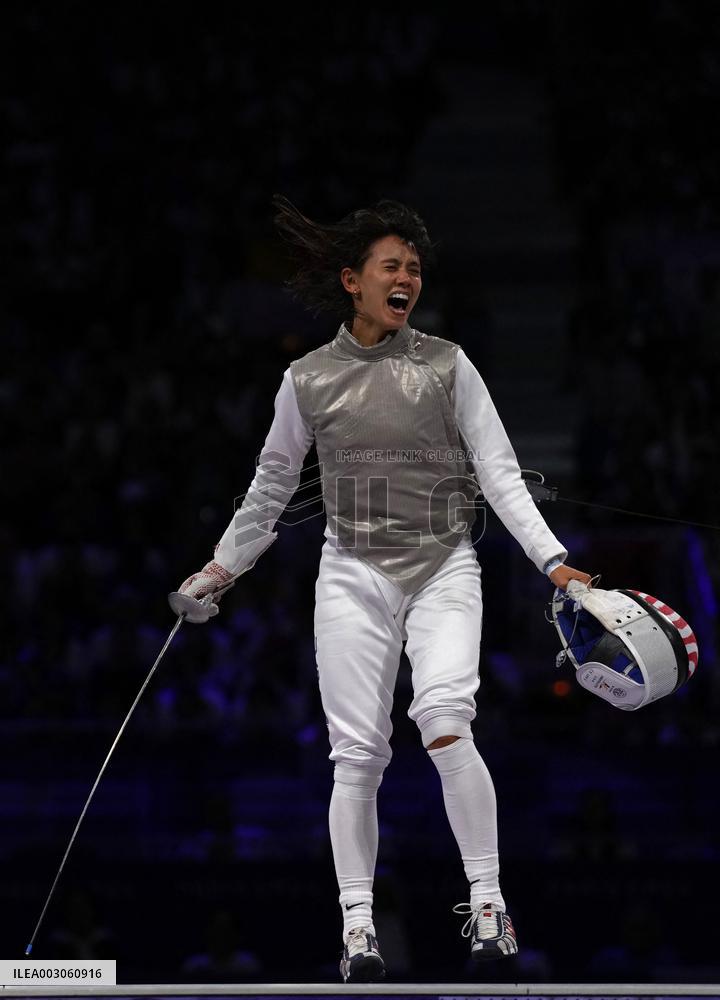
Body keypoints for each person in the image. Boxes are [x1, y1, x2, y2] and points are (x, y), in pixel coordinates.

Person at [178, 196, 592, 982]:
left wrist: (553, 561)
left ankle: (489, 904)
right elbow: (271, 486)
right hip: (352, 572)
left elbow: (501, 474)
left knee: (445, 720)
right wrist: (220, 570)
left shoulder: (448, 364)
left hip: (443, 567)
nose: (407, 278)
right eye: (392, 266)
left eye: (415, 268)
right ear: (353, 281)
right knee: (358, 755)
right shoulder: (307, 378)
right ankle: (358, 926)